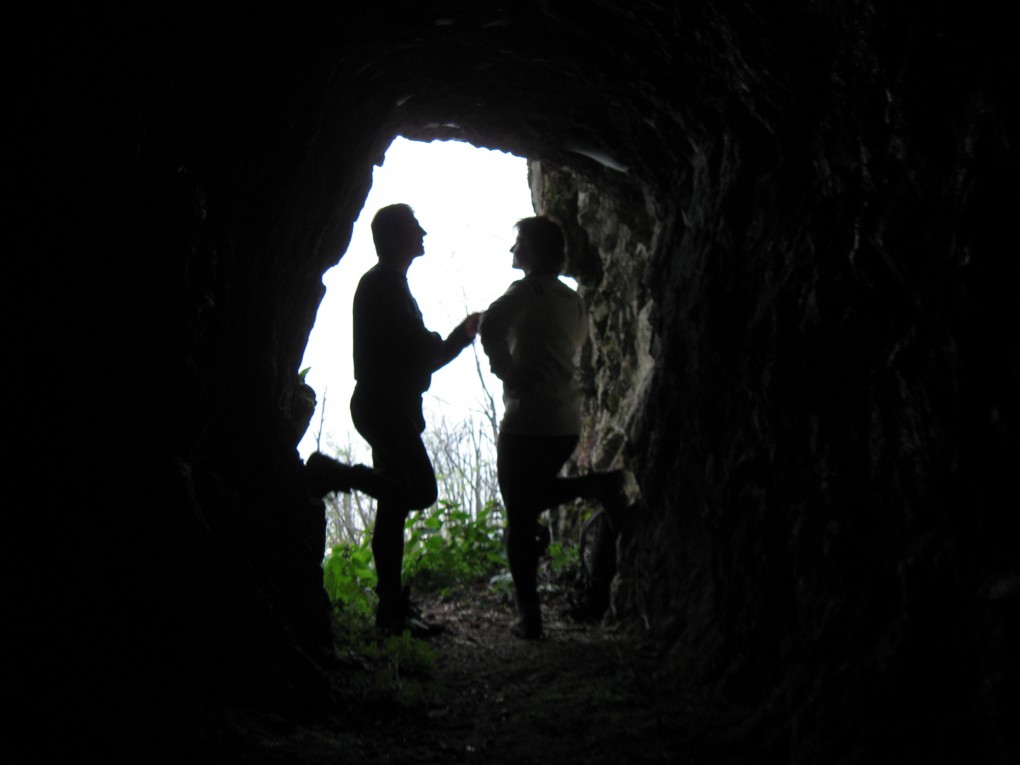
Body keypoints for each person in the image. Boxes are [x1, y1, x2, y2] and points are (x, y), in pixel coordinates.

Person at [305, 203, 481, 635]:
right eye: (415, 227)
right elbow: (423, 353)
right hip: (384, 408)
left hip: (385, 406)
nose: (424, 233)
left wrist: (454, 340)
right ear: (397, 237)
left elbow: (420, 353)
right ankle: (334, 473)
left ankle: (390, 610)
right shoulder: (384, 285)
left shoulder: (387, 284)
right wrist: (458, 338)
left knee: (394, 506)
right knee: (420, 490)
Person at [480, 216, 627, 640]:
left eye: (518, 244)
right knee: (528, 502)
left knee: (519, 515)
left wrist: (508, 370)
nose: (512, 251)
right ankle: (595, 486)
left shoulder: (527, 291)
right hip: (565, 422)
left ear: (532, 250)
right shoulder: (572, 298)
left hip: (527, 420)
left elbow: (491, 325)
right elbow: (576, 342)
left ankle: (529, 617)